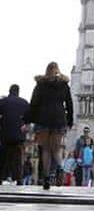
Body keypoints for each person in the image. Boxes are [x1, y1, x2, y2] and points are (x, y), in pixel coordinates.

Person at [23, 62, 74, 190]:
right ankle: (60, 168)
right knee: (56, 149)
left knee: (46, 150)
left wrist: (27, 120)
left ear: (46, 71)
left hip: (43, 118)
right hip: (58, 118)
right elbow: (69, 104)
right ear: (58, 71)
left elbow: (33, 103)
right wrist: (70, 121)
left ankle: (46, 178)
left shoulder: (40, 85)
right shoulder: (64, 85)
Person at [0, 84, 30, 185]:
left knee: (3, 156)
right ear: (18, 92)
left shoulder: (3, 101)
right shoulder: (24, 102)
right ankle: (19, 179)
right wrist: (25, 125)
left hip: (5, 134)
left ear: (9, 91)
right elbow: (30, 117)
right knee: (18, 157)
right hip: (19, 135)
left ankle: (1, 177)